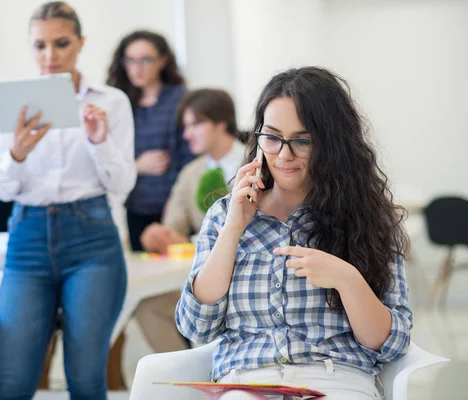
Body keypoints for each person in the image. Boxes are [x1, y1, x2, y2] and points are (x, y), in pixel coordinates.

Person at [175, 67, 413, 400]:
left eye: (302, 141)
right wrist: (232, 231)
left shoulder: (367, 217)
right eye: (271, 137)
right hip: (248, 380)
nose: (284, 155)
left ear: (332, 144)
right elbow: (196, 328)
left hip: (336, 378)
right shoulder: (224, 216)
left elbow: (391, 344)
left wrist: (347, 280)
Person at [0, 2, 135, 399]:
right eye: (39, 46)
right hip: (27, 238)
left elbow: (122, 183)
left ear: (81, 43)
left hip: (91, 238)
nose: (50, 56)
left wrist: (99, 140)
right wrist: (17, 151)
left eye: (61, 43)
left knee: (85, 379)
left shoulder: (111, 102)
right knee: (13, 381)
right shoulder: (12, 103)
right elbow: (0, 188)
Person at [136, 88, 245, 353]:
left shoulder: (256, 161)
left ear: (221, 123)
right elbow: (173, 228)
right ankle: (189, 384)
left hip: (248, 274)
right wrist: (159, 236)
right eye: (185, 127)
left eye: (195, 124)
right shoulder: (190, 173)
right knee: (148, 307)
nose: (186, 135)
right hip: (205, 275)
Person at [107, 30, 193, 251]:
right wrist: (138, 166)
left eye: (145, 59)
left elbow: (191, 156)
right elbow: (109, 157)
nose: (137, 68)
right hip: (136, 206)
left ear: (162, 61)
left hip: (175, 206)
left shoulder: (180, 99)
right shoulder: (119, 103)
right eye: (130, 60)